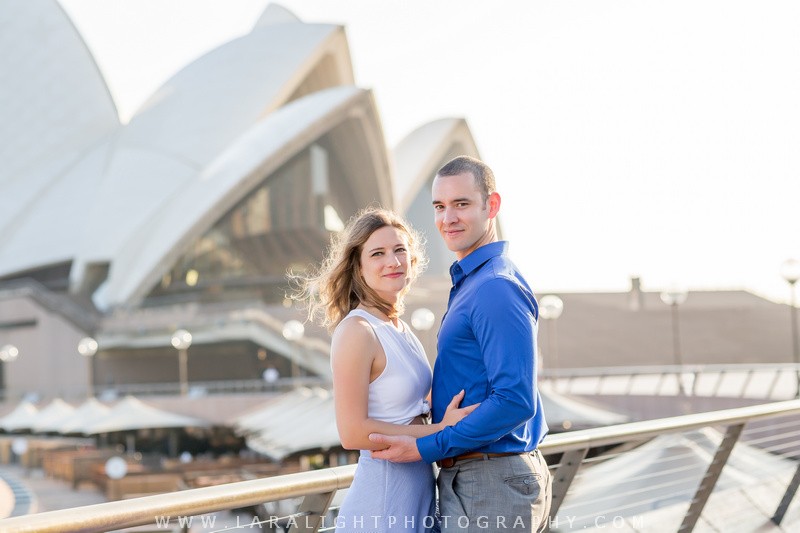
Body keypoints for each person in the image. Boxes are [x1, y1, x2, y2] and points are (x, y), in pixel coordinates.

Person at [369, 156, 552, 532]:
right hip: (484, 478)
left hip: (491, 481)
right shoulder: (475, 282)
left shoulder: (494, 287)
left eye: (461, 204)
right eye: (439, 206)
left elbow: (515, 399)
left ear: (492, 205)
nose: (447, 218)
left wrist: (425, 446)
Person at [295, 207, 477, 532]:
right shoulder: (358, 331)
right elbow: (353, 432)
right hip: (381, 504)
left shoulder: (399, 327)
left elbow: (406, 406)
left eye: (399, 250)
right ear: (359, 267)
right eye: (377, 253)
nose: (392, 261)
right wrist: (442, 430)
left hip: (416, 496)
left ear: (412, 259)